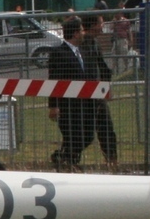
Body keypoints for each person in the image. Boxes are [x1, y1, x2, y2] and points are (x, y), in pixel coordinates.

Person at [46, 15, 91, 172]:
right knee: (73, 136)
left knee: (86, 135)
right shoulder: (59, 53)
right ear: (75, 33)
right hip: (67, 106)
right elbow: (54, 80)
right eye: (82, 30)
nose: (84, 33)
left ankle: (62, 158)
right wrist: (53, 106)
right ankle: (69, 164)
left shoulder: (82, 52)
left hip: (83, 105)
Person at [79, 14, 119, 167]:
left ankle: (112, 160)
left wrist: (106, 87)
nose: (102, 26)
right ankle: (65, 158)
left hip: (97, 94)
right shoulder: (82, 45)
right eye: (100, 23)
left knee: (106, 128)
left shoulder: (94, 43)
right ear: (93, 25)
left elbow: (102, 67)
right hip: (84, 95)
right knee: (84, 134)